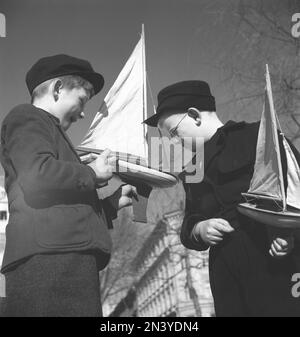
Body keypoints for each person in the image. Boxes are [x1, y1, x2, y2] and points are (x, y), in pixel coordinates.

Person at [143, 80, 300, 317]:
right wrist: (199, 229)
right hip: (226, 275)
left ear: (194, 115)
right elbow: (189, 224)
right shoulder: (191, 169)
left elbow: (296, 189)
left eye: (173, 133)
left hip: (275, 265)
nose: (172, 143)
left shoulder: (259, 134)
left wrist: (289, 236)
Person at [0, 54, 137, 317]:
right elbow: (36, 176)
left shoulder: (47, 129)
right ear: (58, 88)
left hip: (62, 260)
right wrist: (92, 172)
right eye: (82, 99)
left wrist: (110, 205)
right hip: (49, 264)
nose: (84, 112)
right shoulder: (27, 116)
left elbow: (62, 207)